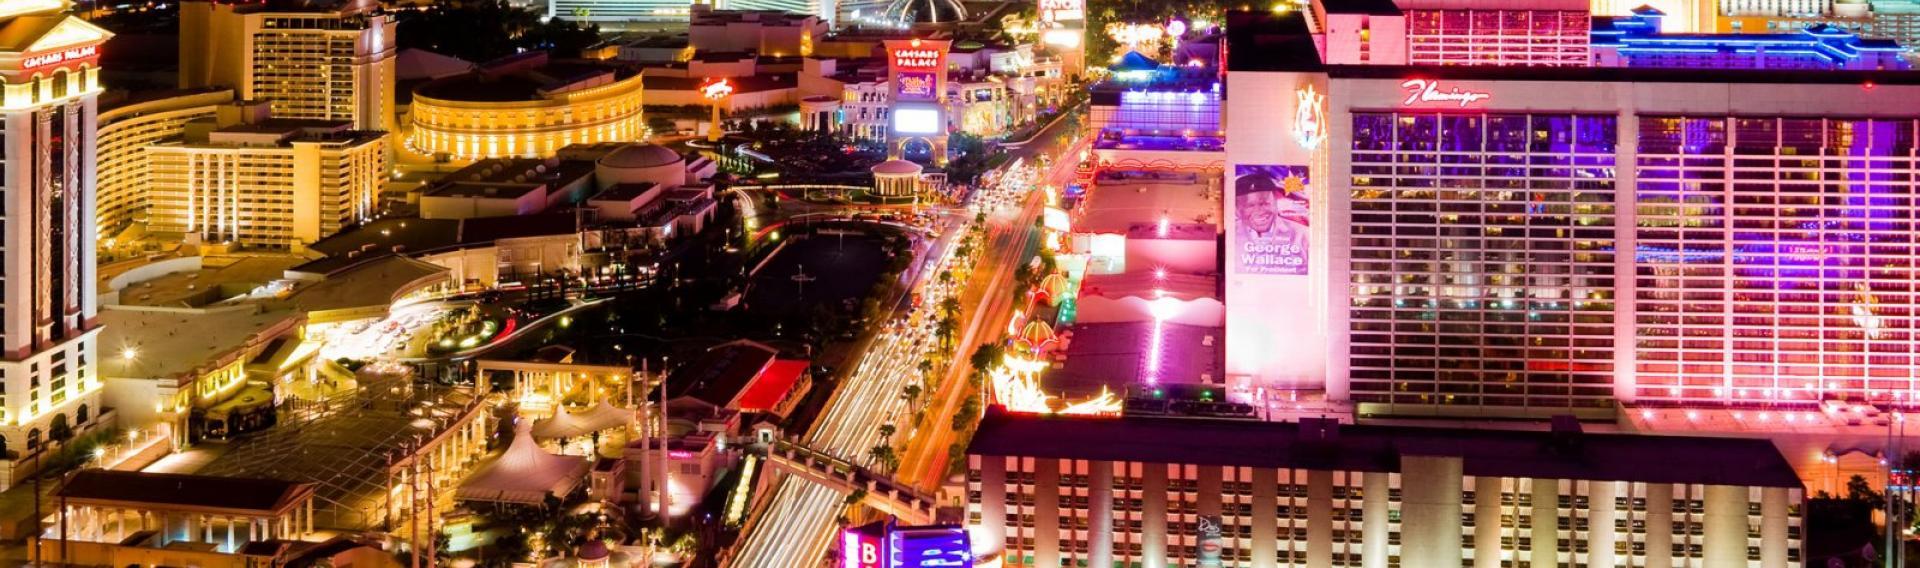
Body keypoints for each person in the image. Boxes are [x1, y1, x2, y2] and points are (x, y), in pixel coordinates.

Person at [1235, 169, 1310, 274]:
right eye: (1250, 205)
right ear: (1237, 210)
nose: (1259, 211)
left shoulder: (1304, 235)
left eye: (1265, 203)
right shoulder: (1231, 236)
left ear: (1275, 202)